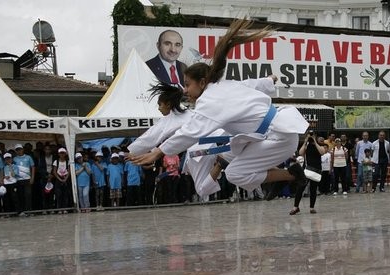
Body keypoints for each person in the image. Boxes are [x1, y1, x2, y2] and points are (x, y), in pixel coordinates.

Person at [130, 19, 310, 193]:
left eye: (187, 84)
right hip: (277, 134)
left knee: (234, 173)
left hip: (277, 139)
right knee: (231, 156)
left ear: (201, 83)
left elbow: (190, 132)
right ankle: (279, 176)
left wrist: (158, 153)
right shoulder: (226, 86)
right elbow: (253, 84)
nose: (185, 90)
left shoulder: (209, 101)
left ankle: (290, 175)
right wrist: (270, 79)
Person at [290, 132, 325, 215]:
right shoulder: (306, 145)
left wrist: (315, 142)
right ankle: (295, 207)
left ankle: (312, 208)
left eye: (313, 135)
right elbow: (301, 153)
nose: (311, 136)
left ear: (315, 136)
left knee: (313, 189)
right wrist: (306, 141)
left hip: (316, 170)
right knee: (300, 188)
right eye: (310, 135)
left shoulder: (319, 145)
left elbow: (322, 152)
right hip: (307, 169)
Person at [13, 143, 35, 216]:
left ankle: (29, 210)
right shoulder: (14, 159)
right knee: (20, 196)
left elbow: (33, 167)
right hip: (18, 180)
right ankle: (22, 211)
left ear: (23, 149)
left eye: (20, 149)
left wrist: (32, 178)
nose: (19, 151)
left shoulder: (28, 157)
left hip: (27, 179)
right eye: (17, 150)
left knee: (28, 195)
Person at [52, 148, 71, 213]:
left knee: (65, 194)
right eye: (60, 153)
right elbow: (54, 171)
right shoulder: (56, 161)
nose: (62, 154)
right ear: (58, 154)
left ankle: (65, 208)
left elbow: (69, 171)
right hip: (58, 178)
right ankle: (59, 209)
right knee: (58, 194)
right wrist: (59, 179)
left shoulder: (68, 161)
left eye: (63, 153)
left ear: (65, 154)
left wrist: (65, 179)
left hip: (66, 178)